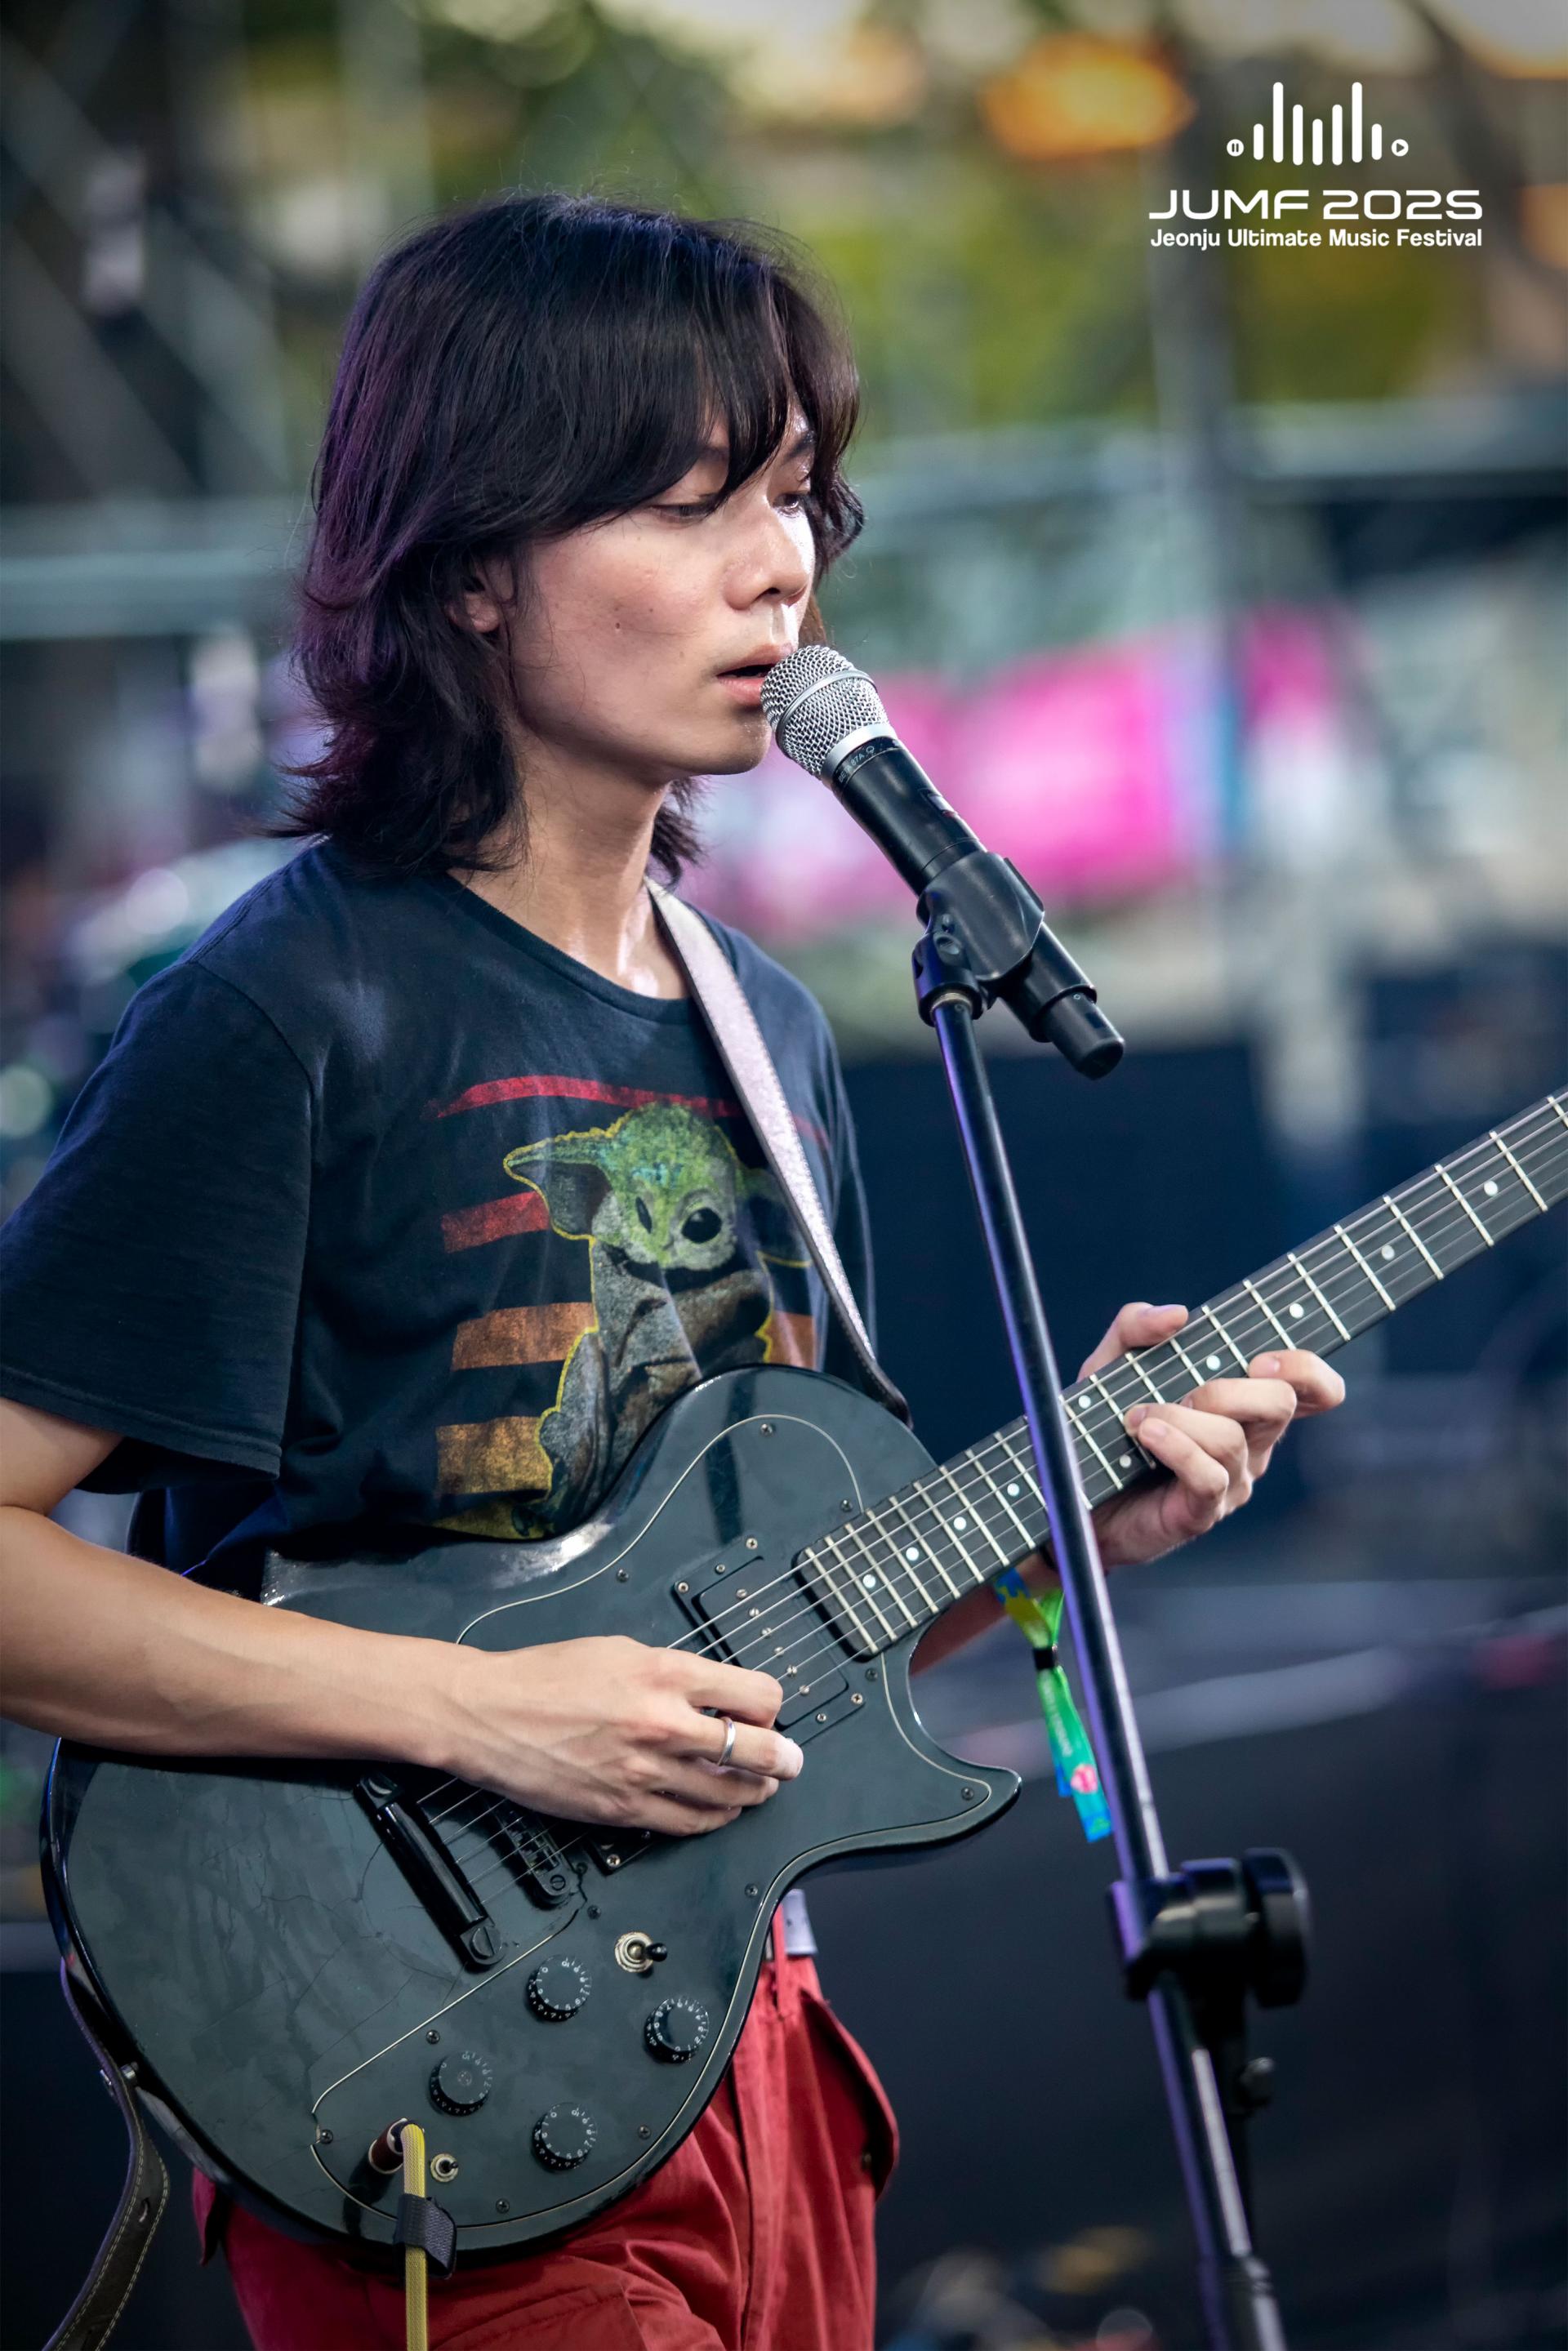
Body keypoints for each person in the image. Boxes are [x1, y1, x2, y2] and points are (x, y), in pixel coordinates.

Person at [0, 192, 1343, 2350]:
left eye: (794, 492)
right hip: (416, 2078)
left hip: (754, 2058)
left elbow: (764, 1627)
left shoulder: (771, 1029)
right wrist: (481, 1711)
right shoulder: (293, 1009)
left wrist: (1058, 1532)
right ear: (468, 565)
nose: (779, 566)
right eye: (687, 500)